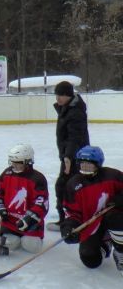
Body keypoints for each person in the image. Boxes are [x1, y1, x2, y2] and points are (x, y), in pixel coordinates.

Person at [61, 146, 123, 273]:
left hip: (115, 218)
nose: (85, 168)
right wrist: (69, 227)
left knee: (114, 218)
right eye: (82, 165)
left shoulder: (113, 176)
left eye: (89, 165)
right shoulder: (73, 184)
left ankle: (120, 250)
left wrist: (121, 199)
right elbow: (72, 212)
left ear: (98, 164)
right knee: (91, 260)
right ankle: (107, 243)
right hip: (93, 224)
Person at [0, 144, 49, 253]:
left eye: (18, 163)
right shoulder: (6, 174)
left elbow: (41, 204)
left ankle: (29, 236)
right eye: (13, 162)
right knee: (10, 244)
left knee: (31, 246)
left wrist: (29, 219)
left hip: (30, 223)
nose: (14, 165)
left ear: (28, 162)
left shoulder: (38, 179)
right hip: (10, 221)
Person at [50, 80, 90, 230]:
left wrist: (68, 158)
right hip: (70, 155)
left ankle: (67, 220)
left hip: (74, 157)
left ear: (69, 95)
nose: (58, 98)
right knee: (67, 186)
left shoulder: (75, 112)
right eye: (57, 94)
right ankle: (68, 219)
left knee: (65, 186)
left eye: (61, 95)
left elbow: (75, 137)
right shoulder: (67, 108)